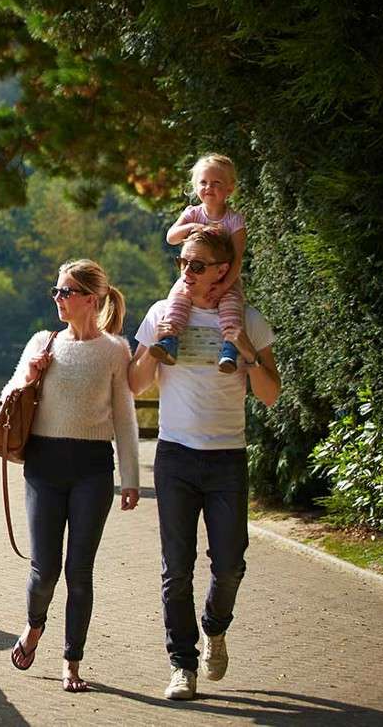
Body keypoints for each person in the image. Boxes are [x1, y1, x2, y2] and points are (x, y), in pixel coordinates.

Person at [129, 227, 281, 701]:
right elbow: (135, 385)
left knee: (230, 564)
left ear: (222, 269)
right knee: (176, 568)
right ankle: (183, 665)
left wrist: (247, 350)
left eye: (196, 265)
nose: (187, 273)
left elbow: (271, 396)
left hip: (226, 459)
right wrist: (156, 348)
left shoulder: (248, 319)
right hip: (174, 457)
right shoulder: (162, 314)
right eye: (182, 264)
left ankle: (215, 627)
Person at [3, 259, 141, 693]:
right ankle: (34, 626)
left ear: (91, 299)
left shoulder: (115, 350)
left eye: (66, 292)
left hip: (92, 470)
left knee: (80, 571)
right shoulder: (43, 342)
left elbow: (124, 416)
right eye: (56, 292)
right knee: (45, 569)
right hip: (44, 466)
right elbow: (8, 396)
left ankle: (72, 661)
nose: (58, 299)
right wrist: (31, 374)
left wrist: (131, 477)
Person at [152, 154, 249, 373]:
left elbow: (237, 259)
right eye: (203, 182)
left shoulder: (234, 221)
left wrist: (223, 287)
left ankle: (229, 349)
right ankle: (169, 341)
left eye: (216, 183)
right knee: (176, 298)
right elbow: (171, 237)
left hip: (226, 278)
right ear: (196, 186)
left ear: (229, 189)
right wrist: (190, 227)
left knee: (232, 305)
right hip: (192, 277)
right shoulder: (192, 213)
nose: (209, 187)